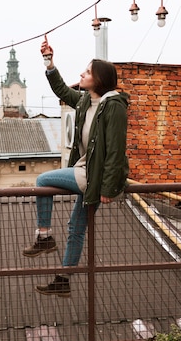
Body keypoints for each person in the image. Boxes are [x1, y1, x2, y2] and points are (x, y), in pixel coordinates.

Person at [23, 37, 129, 297]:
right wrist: (48, 61)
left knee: (42, 181)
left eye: (88, 71)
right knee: (76, 229)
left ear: (99, 80)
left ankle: (44, 235)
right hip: (86, 172)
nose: (82, 74)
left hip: (93, 177)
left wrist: (107, 187)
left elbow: (116, 150)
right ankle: (63, 279)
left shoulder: (113, 107)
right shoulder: (85, 102)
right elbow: (61, 89)